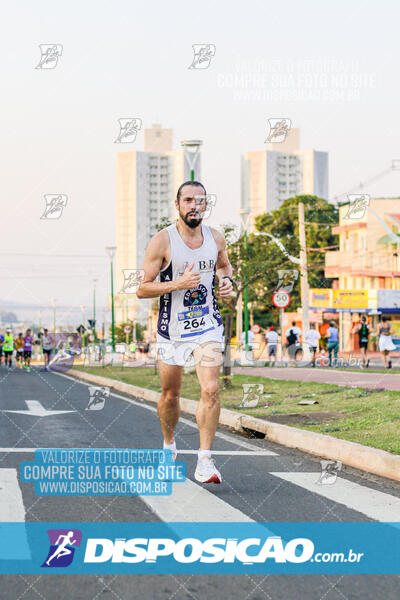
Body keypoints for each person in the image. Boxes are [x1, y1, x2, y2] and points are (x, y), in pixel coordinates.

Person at [136, 180, 233, 484]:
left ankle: (204, 460)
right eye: (189, 200)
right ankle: (168, 446)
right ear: (177, 205)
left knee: (211, 389)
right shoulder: (162, 242)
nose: (195, 205)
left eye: (201, 200)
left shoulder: (216, 238)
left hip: (207, 324)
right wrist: (177, 284)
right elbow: (141, 288)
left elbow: (224, 267)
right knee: (170, 395)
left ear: (207, 205)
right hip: (172, 329)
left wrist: (226, 282)